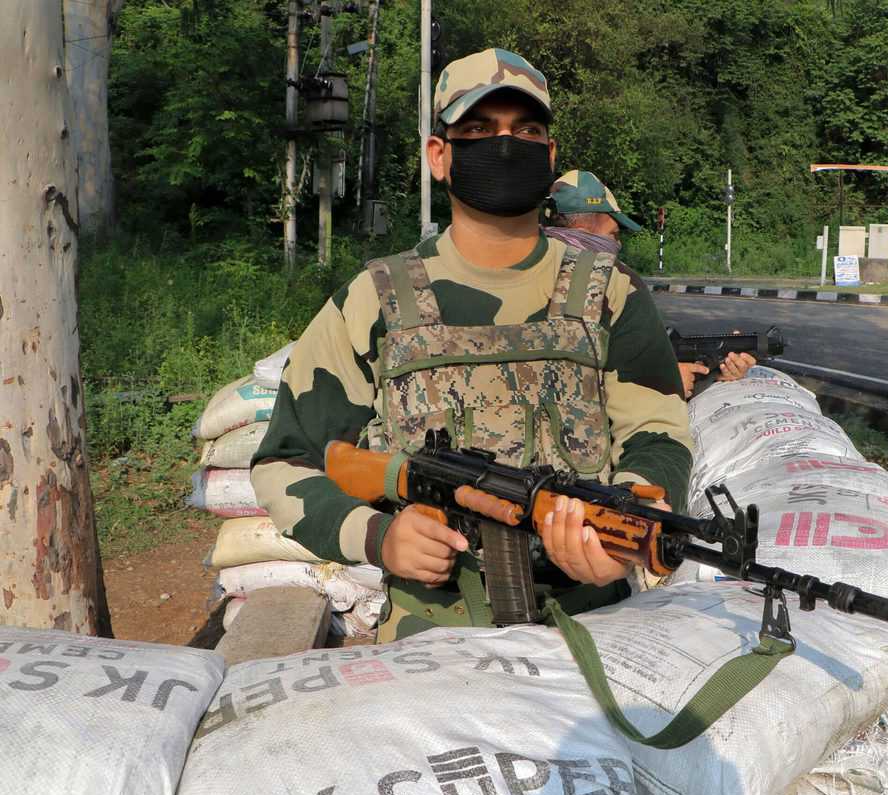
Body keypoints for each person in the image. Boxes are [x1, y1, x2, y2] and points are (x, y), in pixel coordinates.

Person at [251, 49, 693, 643]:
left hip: (593, 629)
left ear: (550, 156)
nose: (505, 144)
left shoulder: (609, 291)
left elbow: (659, 432)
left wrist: (629, 520)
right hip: (429, 638)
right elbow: (287, 461)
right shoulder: (376, 300)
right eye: (479, 130)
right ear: (440, 155)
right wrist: (377, 538)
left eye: (526, 130)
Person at [542, 170, 756, 398]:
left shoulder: (527, 272)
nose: (618, 244)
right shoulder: (608, 282)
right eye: (613, 234)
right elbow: (560, 388)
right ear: (584, 233)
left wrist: (715, 373)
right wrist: (662, 385)